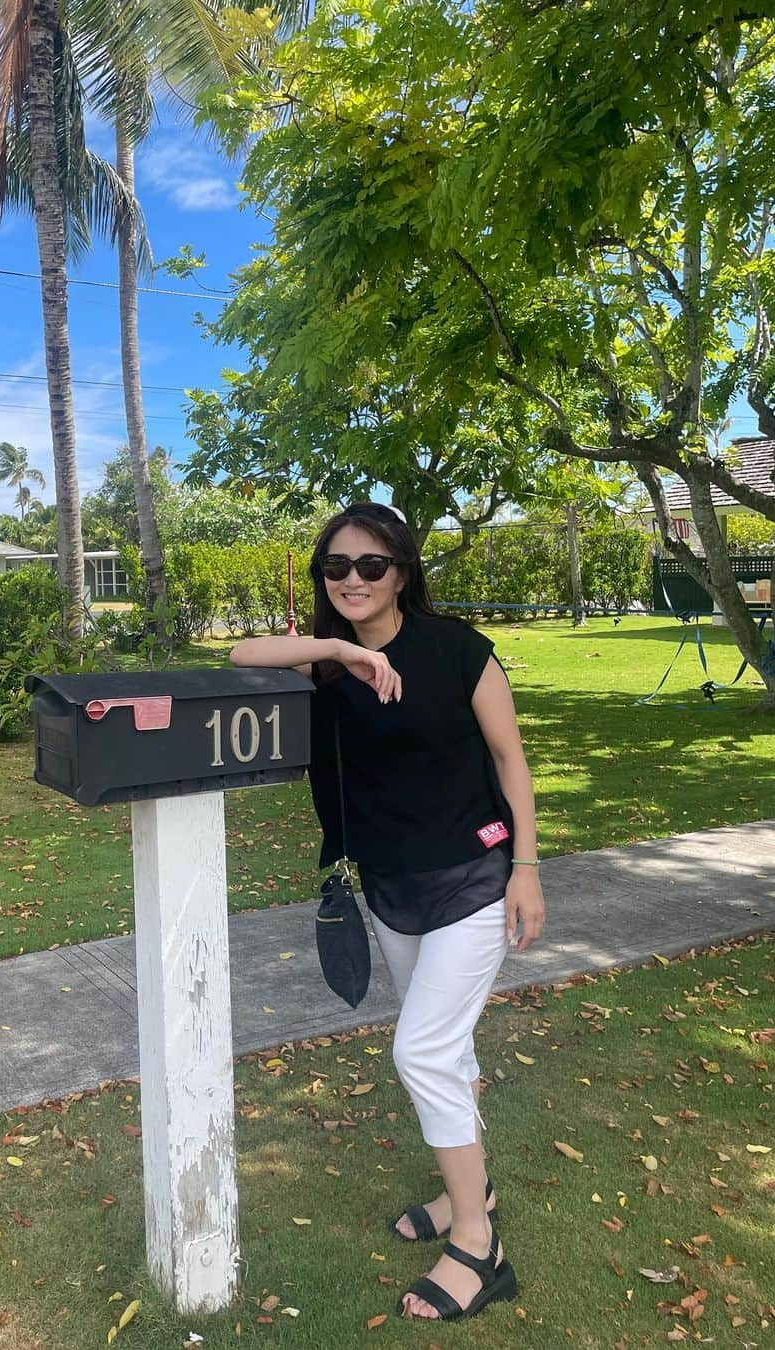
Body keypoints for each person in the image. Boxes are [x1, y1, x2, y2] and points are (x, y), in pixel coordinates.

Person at [230, 501, 545, 1322]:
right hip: (388, 886)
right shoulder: (324, 665)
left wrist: (527, 869)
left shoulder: (457, 650)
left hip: (473, 876)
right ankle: (468, 1187)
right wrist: (337, 649)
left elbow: (511, 760)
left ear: (402, 570)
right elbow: (236, 651)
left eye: (372, 566)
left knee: (425, 1050)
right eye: (336, 567)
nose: (353, 580)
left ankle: (480, 1244)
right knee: (449, 1048)